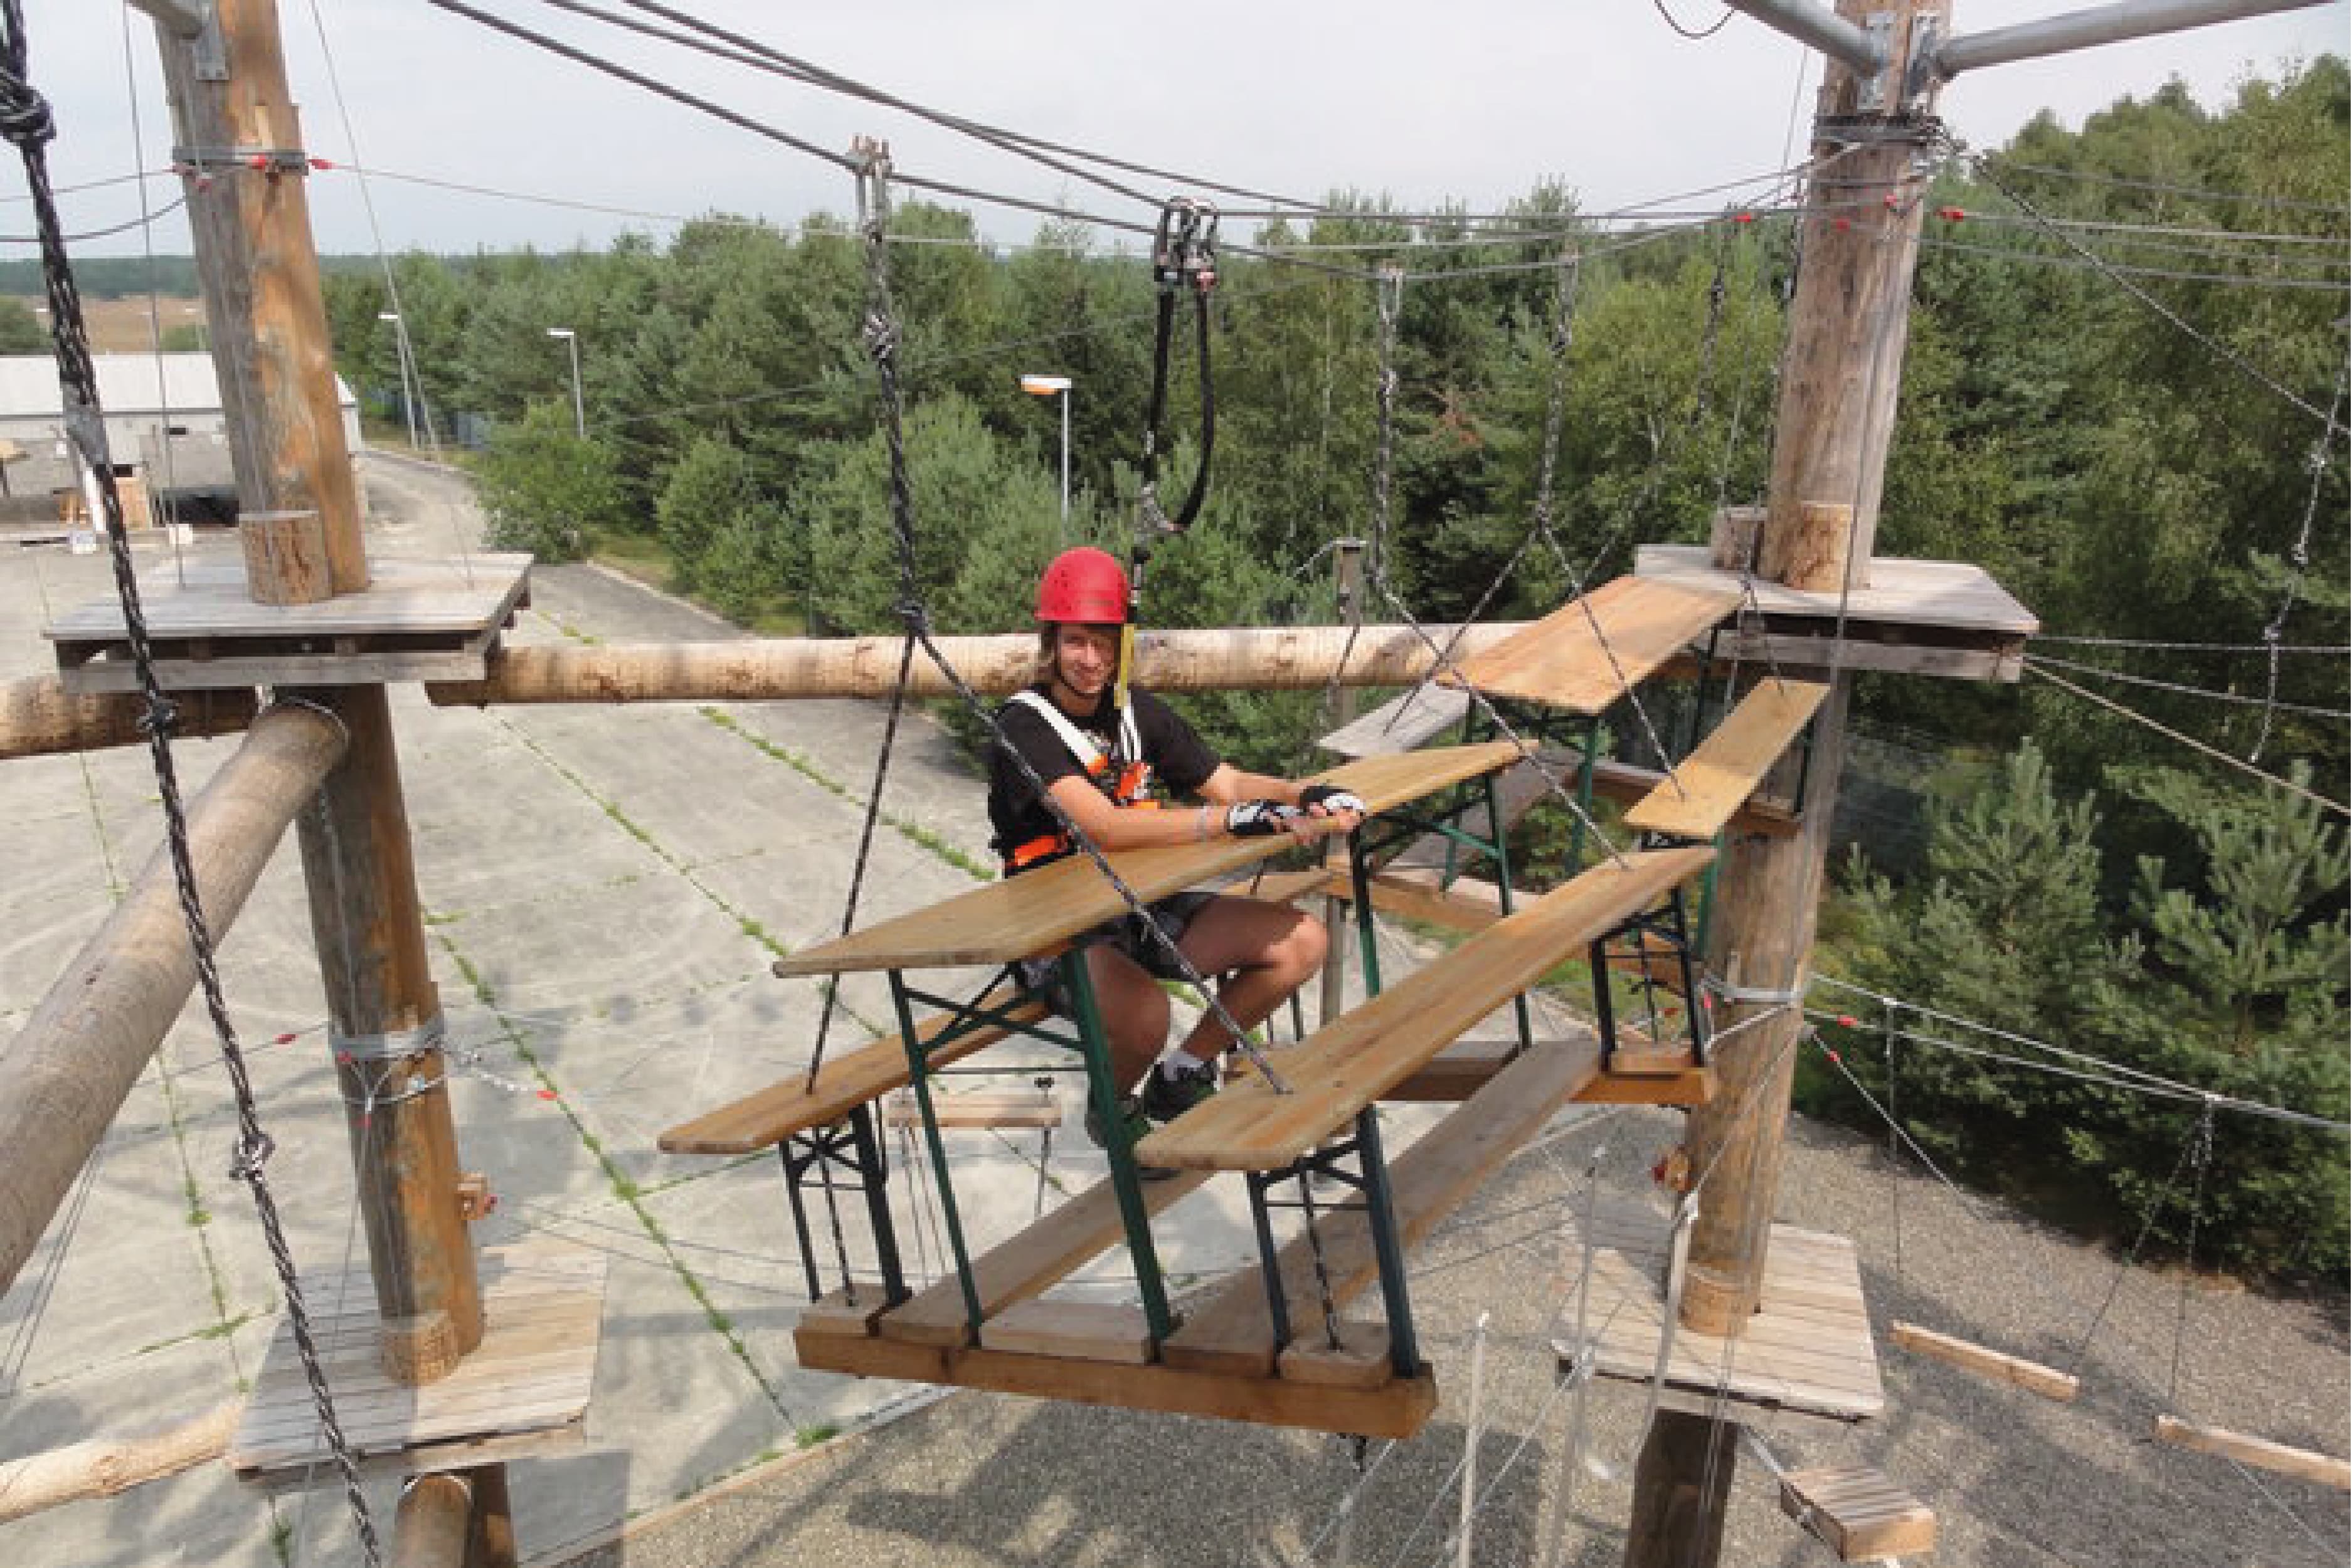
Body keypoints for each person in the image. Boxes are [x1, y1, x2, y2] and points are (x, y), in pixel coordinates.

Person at [987, 546, 1366, 1153]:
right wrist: (1230, 822)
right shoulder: (1023, 727)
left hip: (1139, 912)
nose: (1091, 659)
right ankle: (1114, 1106)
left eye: (1105, 643)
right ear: (1052, 640)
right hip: (1057, 934)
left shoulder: (1138, 714)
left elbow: (1231, 783)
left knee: (1302, 941)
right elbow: (1105, 826)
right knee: (1146, 1016)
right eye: (1077, 641)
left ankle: (1183, 1072)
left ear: (1122, 645)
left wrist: (1302, 794)